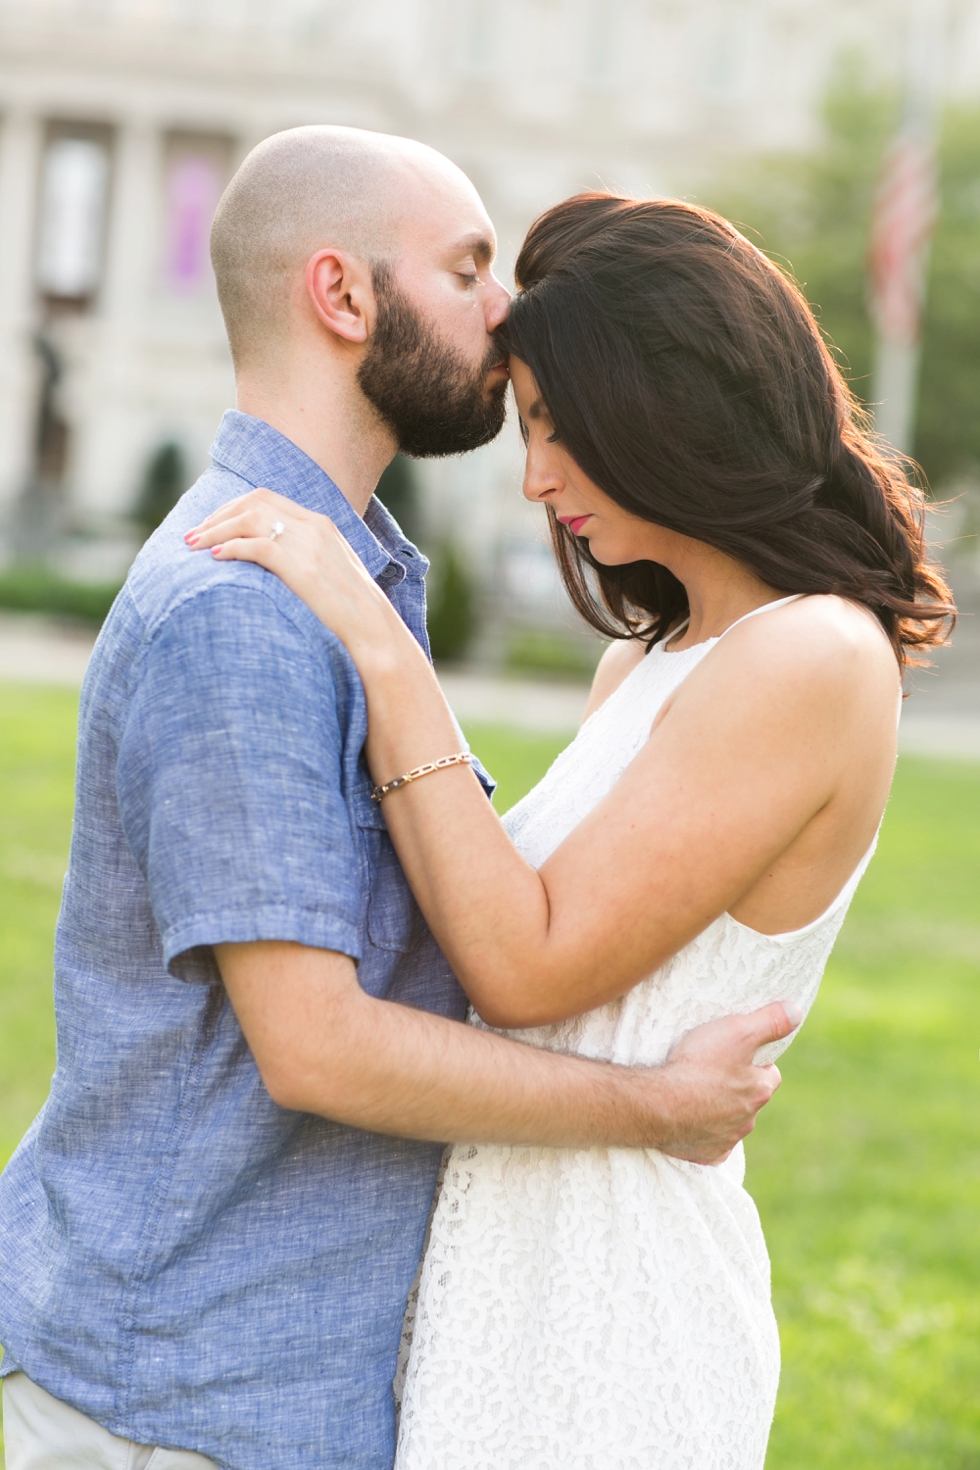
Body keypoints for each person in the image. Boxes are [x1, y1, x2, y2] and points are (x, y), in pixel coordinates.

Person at [0, 137, 795, 1470]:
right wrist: (651, 1105)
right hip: (184, 1394)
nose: (506, 309)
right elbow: (316, 1045)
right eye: (469, 267)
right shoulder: (243, 608)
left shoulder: (338, 585)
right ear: (343, 295)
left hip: (258, 1386)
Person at [189, 192, 955, 1470]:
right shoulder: (650, 665)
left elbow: (525, 965)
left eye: (556, 430)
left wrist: (379, 641)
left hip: (616, 1303)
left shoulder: (812, 657)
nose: (538, 479)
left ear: (669, 408)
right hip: (504, 1264)